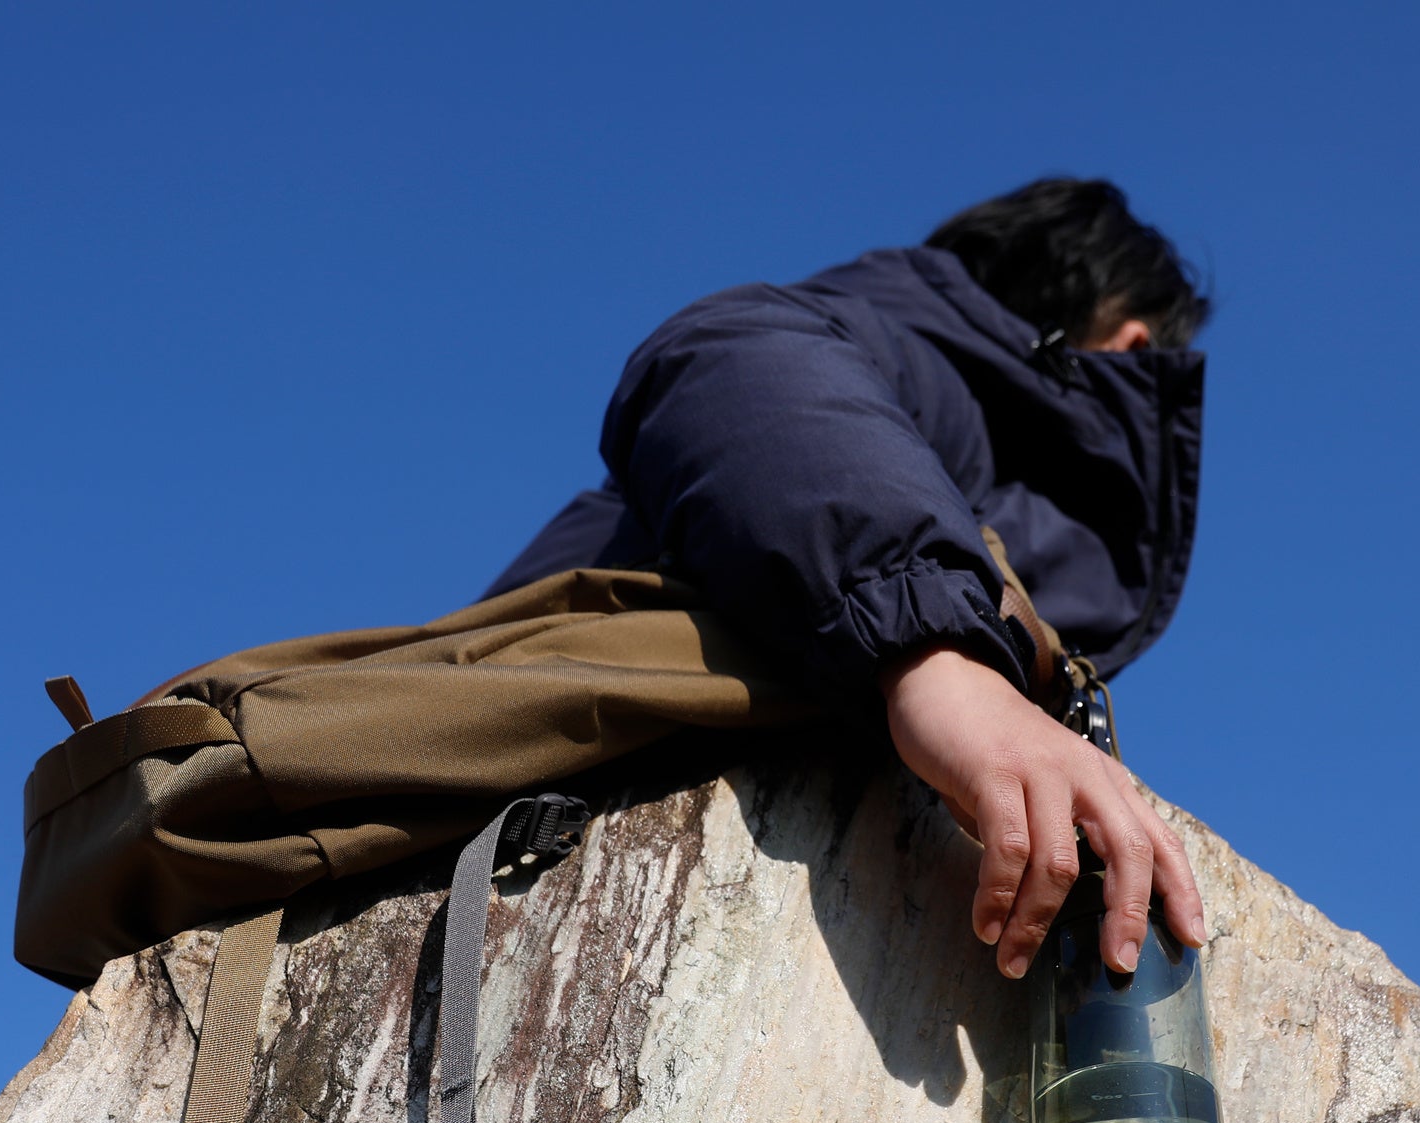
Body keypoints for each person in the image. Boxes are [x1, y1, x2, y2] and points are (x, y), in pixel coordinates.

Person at [486, 177, 1214, 984]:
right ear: (1133, 343)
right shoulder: (921, 373)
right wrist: (944, 659)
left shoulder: (944, 418)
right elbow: (727, 348)